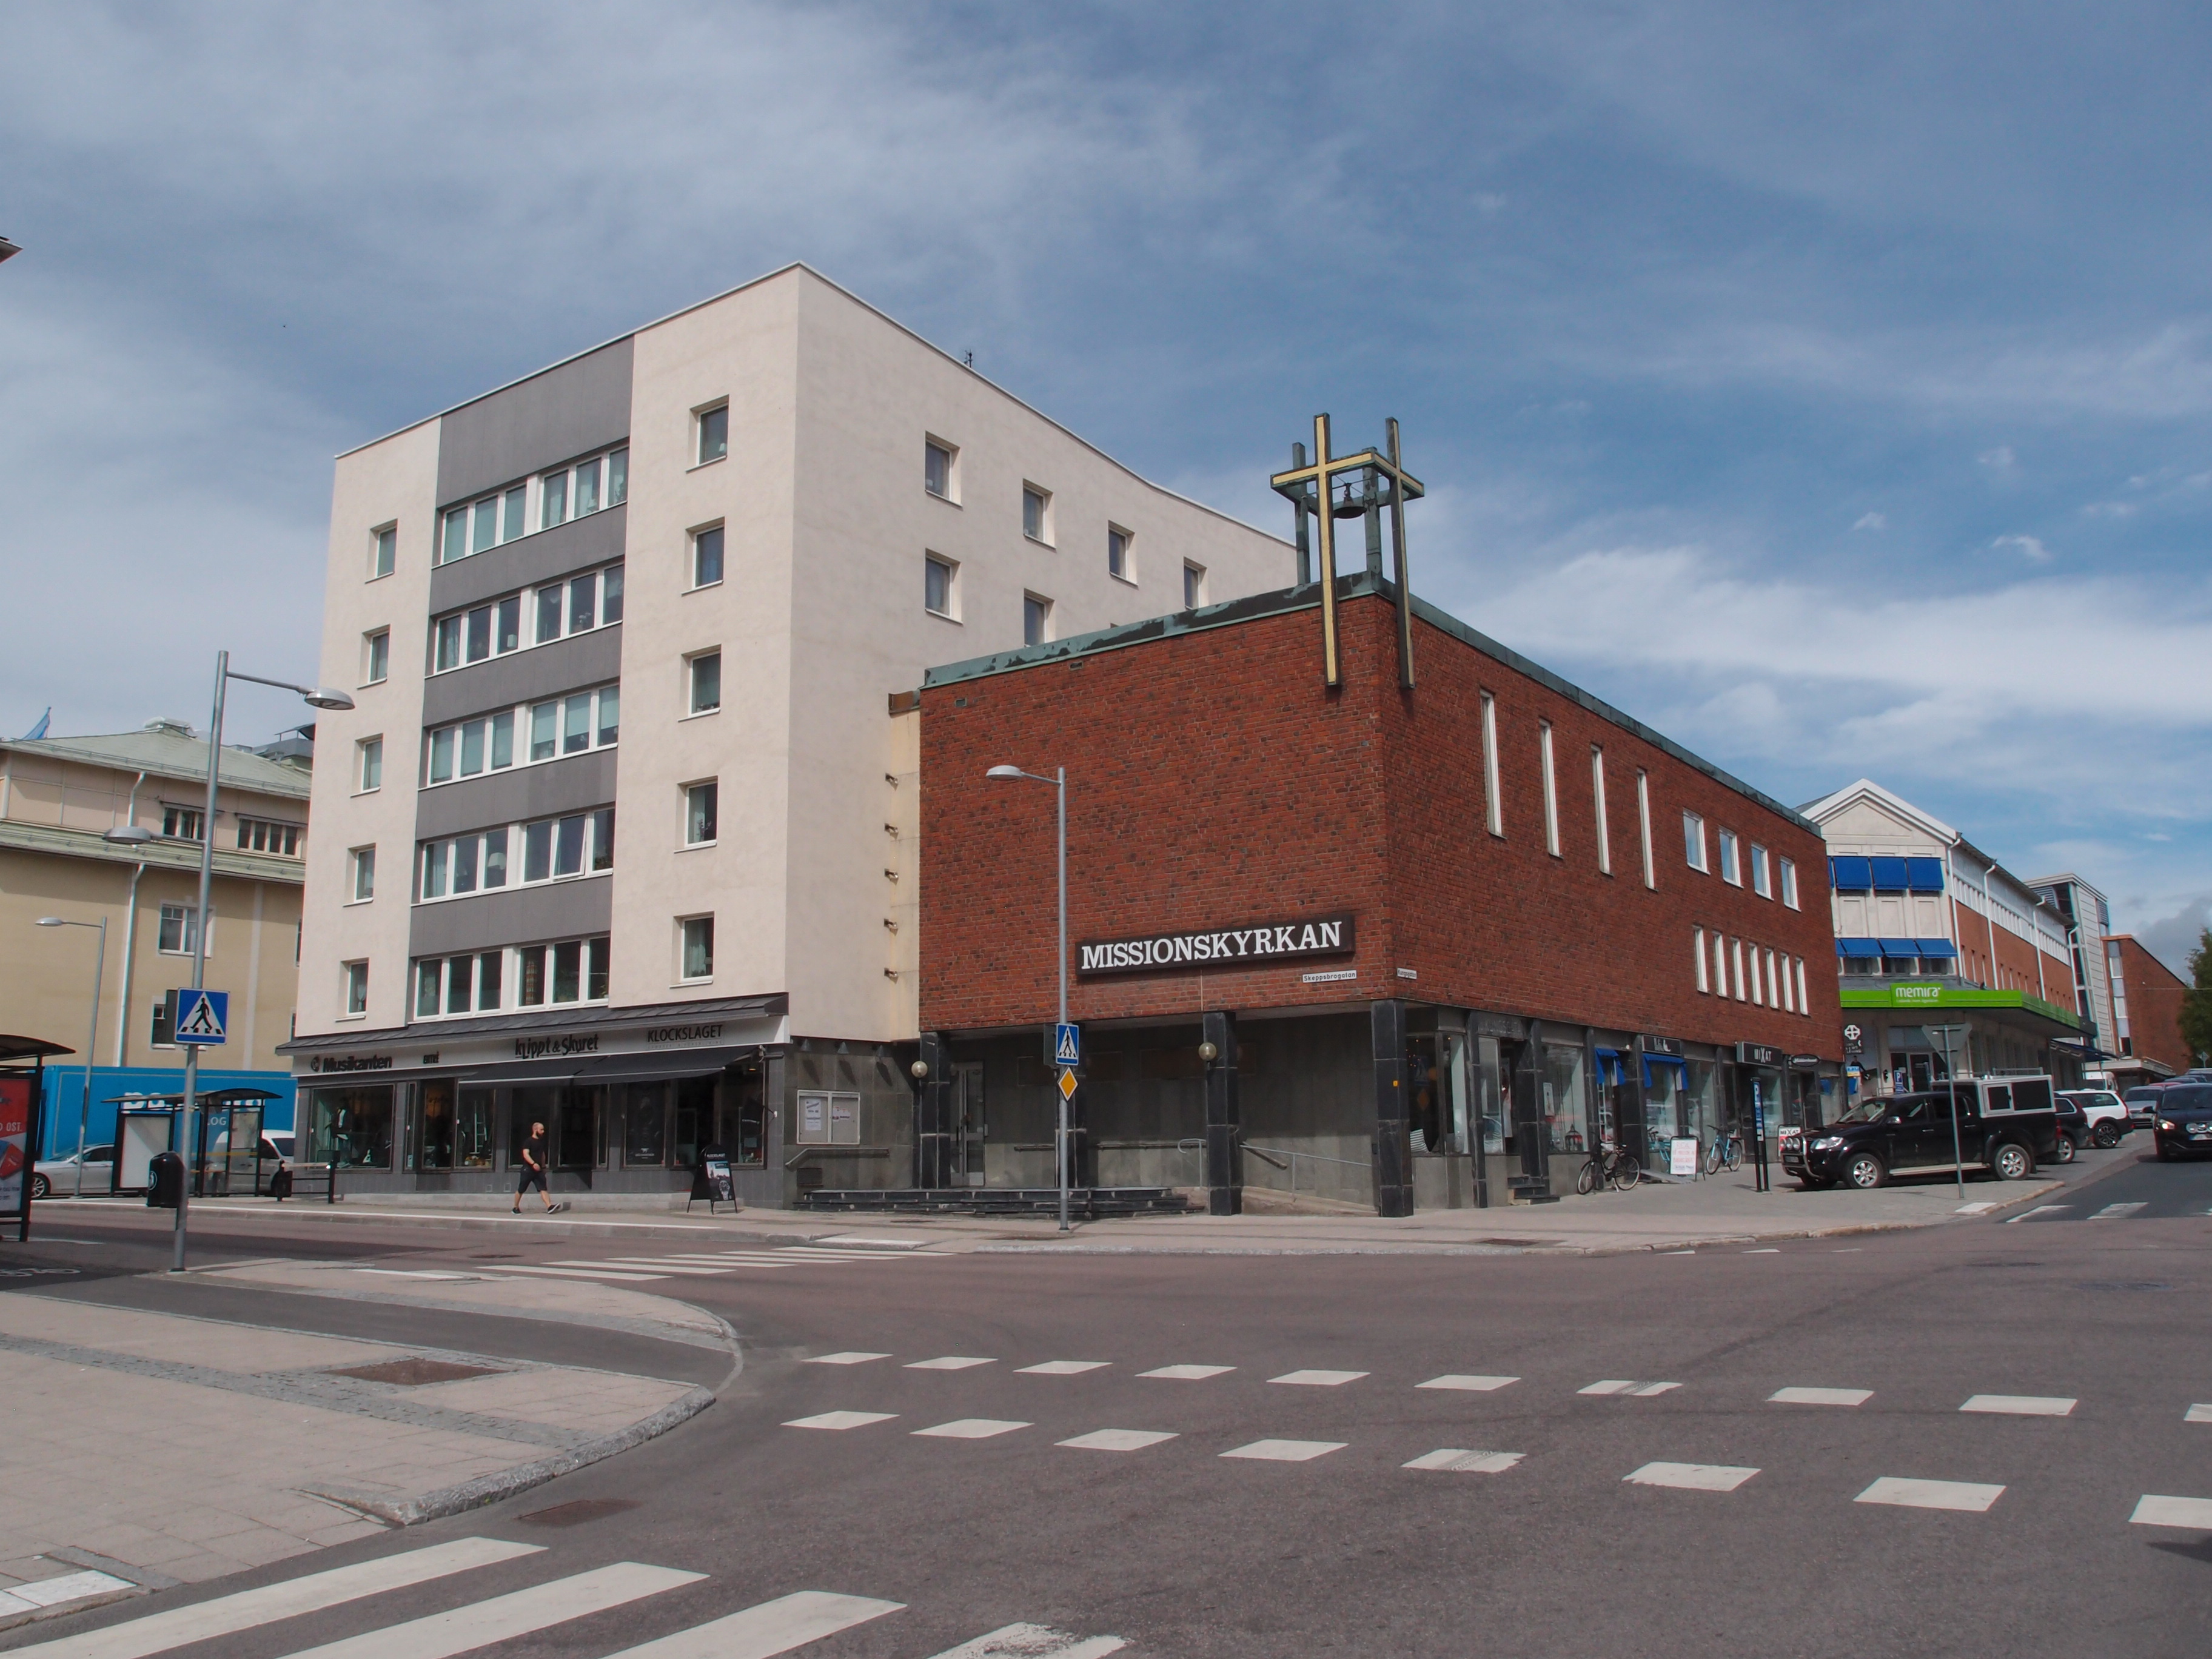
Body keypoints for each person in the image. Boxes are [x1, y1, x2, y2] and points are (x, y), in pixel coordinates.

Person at [513, 1122, 561, 1215]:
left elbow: (542, 1154)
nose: (543, 1132)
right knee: (521, 1189)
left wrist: (543, 1167)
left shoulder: (541, 1142)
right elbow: (525, 1154)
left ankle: (549, 1207)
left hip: (539, 1170)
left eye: (543, 1130)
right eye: (541, 1130)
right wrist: (533, 1163)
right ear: (535, 1130)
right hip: (528, 1169)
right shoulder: (529, 1141)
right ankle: (515, 1207)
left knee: (543, 1188)